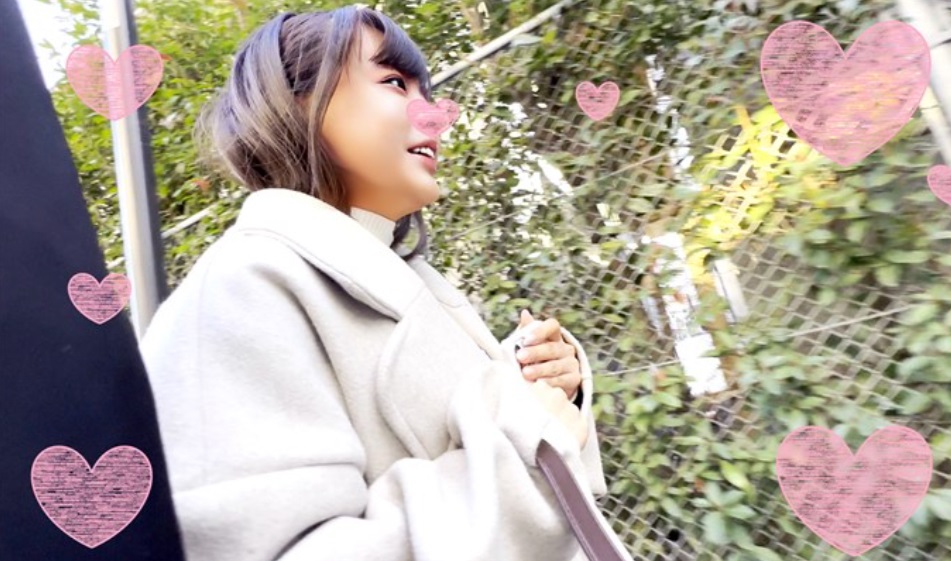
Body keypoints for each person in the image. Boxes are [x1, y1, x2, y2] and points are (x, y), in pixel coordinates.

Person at [139, 6, 608, 561]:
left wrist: (541, 384)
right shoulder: (237, 290)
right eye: (393, 82)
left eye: (427, 91)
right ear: (296, 102)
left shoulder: (412, 282)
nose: (433, 115)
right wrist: (526, 451)